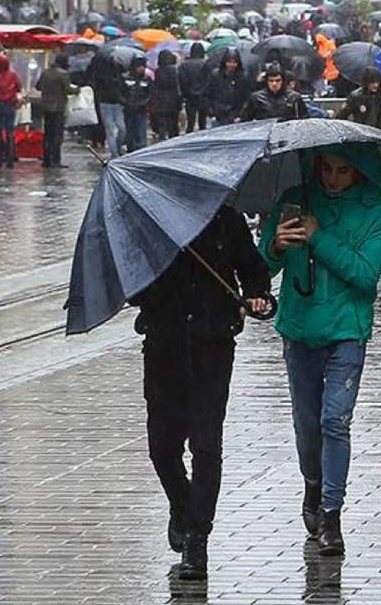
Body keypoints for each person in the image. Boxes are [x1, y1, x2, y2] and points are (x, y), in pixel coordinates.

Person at [258, 147, 381, 557]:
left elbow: (365, 276)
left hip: (346, 330)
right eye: (327, 169)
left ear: (359, 171)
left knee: (336, 420)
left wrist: (319, 237)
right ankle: (312, 483)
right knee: (307, 421)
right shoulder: (295, 201)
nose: (333, 179)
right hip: (299, 328)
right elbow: (261, 267)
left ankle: (331, 514)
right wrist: (276, 246)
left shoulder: (375, 214)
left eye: (343, 171)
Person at [129, 207, 270, 581]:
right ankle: (182, 502)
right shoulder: (153, 221)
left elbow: (253, 271)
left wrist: (256, 297)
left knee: (206, 444)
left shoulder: (226, 219)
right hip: (164, 347)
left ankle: (197, 538)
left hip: (212, 345)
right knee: (162, 446)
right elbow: (133, 288)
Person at [35, 53, 77, 168]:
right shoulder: (63, 74)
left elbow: (38, 86)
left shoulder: (45, 72)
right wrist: (77, 90)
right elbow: (68, 90)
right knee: (57, 135)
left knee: (48, 134)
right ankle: (56, 160)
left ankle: (47, 159)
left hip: (46, 106)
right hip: (58, 107)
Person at [91, 52, 128, 159]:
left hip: (115, 103)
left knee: (119, 129)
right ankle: (114, 153)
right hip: (107, 103)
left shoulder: (118, 73)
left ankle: (117, 149)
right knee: (113, 129)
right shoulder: (101, 75)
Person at [0, 53, 22, 168]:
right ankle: (10, 157)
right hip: (10, 105)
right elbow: (19, 87)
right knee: (10, 131)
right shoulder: (13, 75)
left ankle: (0, 156)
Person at [241, 62, 306, 122]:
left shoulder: (294, 98)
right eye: (271, 81)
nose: (274, 84)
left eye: (277, 80)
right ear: (266, 81)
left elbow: (304, 120)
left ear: (283, 81)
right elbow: (245, 121)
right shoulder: (256, 98)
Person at [343, 66, 381, 132]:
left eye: (377, 82)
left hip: (379, 131)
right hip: (361, 132)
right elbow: (342, 115)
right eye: (372, 82)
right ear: (367, 82)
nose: (376, 85)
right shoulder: (356, 96)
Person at [206, 49, 250, 127]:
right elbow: (208, 94)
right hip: (218, 116)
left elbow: (246, 97)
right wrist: (211, 113)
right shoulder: (216, 75)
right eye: (229, 62)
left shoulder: (242, 77)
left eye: (234, 62)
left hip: (235, 117)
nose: (231, 65)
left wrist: (240, 115)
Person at [150, 50, 182, 140]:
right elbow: (177, 86)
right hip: (173, 100)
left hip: (160, 101)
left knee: (162, 123)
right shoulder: (174, 71)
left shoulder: (158, 71)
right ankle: (174, 139)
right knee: (173, 123)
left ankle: (162, 137)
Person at [123, 57, 153, 153]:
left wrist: (143, 103)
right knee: (130, 132)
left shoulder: (147, 79)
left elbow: (151, 93)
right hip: (128, 109)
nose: (142, 69)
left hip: (141, 109)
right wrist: (126, 102)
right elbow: (121, 92)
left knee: (141, 132)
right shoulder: (125, 78)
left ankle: (140, 151)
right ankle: (131, 149)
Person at [179, 44, 209, 132]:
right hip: (203, 96)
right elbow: (208, 80)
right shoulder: (206, 64)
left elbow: (182, 81)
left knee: (190, 121)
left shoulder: (184, 65)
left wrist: (187, 93)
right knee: (202, 122)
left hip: (190, 97)